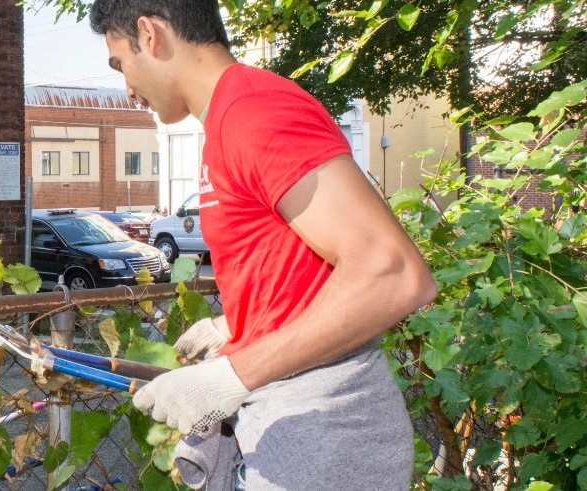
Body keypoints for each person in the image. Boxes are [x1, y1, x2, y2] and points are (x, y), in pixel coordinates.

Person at [88, 1, 438, 488]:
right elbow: (307, 266)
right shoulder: (226, 122)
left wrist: (230, 376)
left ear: (149, 34)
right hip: (295, 421)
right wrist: (239, 324)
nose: (126, 88)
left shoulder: (255, 110)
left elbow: (393, 274)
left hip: (322, 433)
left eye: (120, 64)